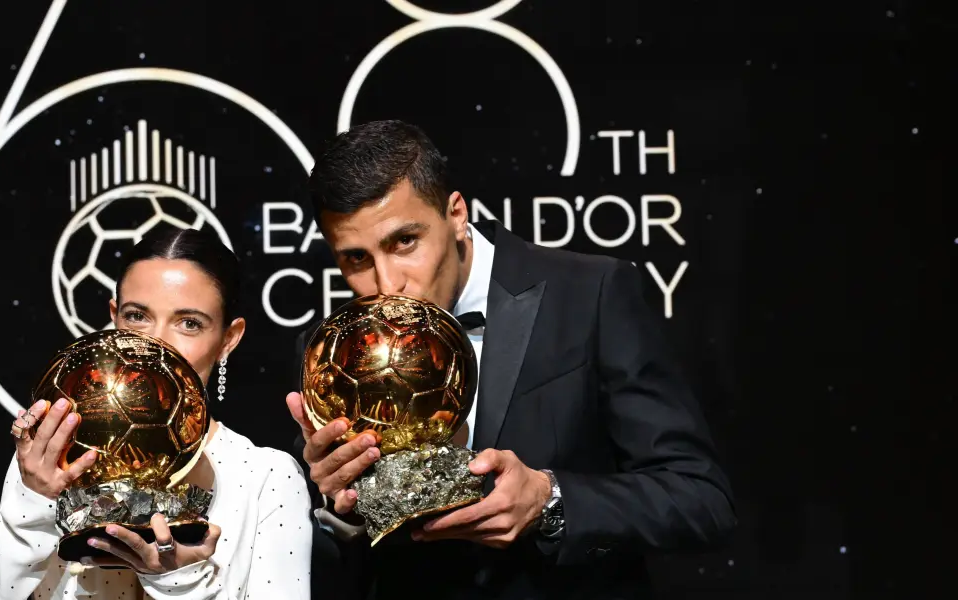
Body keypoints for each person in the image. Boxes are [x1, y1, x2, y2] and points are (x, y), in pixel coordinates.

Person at [286, 119, 737, 599]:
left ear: (456, 214)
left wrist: (549, 499)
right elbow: (334, 553)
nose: (386, 283)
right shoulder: (334, 351)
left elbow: (700, 499)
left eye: (404, 242)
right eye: (356, 259)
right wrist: (333, 501)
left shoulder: (591, 295)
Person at [0, 225, 312, 600]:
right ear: (114, 317)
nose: (154, 344)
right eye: (137, 316)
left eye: (189, 323)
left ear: (228, 339)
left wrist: (181, 582)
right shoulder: (51, 460)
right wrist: (32, 504)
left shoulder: (265, 479)